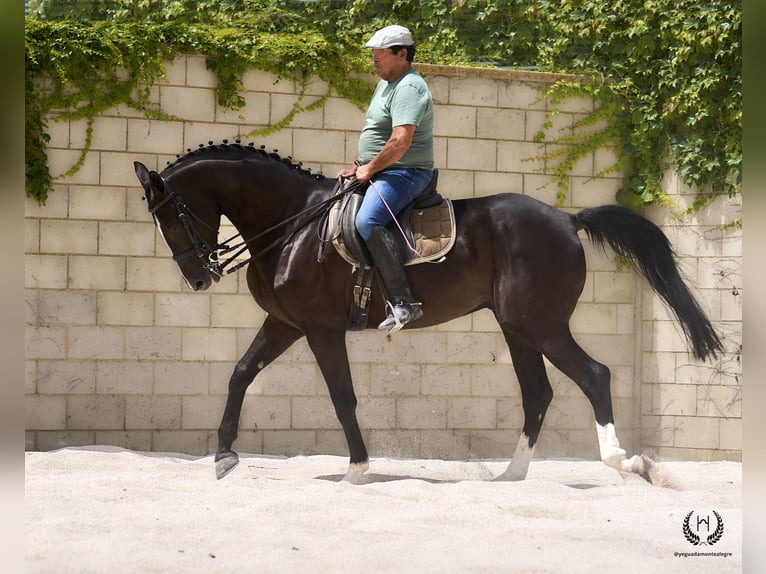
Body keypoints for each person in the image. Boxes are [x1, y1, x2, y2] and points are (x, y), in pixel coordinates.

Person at [338, 24, 434, 333]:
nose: (374, 60)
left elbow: (400, 142)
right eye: (373, 55)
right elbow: (379, 136)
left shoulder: (409, 87)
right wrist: (360, 166)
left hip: (405, 172)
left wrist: (370, 169)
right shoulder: (386, 84)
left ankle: (404, 302)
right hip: (383, 169)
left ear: (402, 54)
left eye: (379, 54)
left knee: (367, 221)